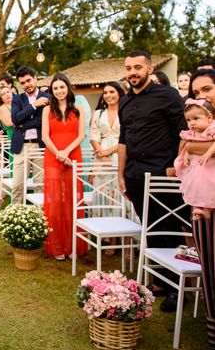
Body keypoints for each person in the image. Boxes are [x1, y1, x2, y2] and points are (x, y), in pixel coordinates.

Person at [117, 50, 187, 312]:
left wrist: (174, 166)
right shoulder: (125, 101)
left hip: (162, 176)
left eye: (137, 67)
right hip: (135, 176)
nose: (132, 72)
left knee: (169, 230)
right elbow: (123, 140)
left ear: (148, 68)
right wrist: (120, 173)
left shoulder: (167, 95)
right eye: (128, 68)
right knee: (150, 229)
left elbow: (185, 132)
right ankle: (159, 283)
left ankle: (175, 291)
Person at [185, 69, 215, 347]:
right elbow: (183, 145)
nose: (201, 96)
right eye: (196, 92)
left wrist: (194, 146)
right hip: (201, 203)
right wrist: (192, 145)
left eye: (206, 89)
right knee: (211, 268)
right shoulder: (196, 121)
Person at [41, 73, 87, 260]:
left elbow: (81, 135)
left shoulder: (79, 109)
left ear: (68, 87)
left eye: (62, 87)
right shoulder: (46, 110)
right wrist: (59, 154)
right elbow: (45, 136)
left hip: (73, 155)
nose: (59, 91)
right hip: (52, 157)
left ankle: (73, 245)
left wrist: (66, 152)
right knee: (55, 203)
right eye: (55, 88)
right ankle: (57, 245)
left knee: (72, 199)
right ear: (52, 91)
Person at [174, 99, 215, 220]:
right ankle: (198, 208)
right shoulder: (192, 133)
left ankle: (207, 209)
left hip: (214, 165)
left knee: (212, 187)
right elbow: (188, 147)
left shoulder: (213, 129)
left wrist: (209, 152)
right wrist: (185, 157)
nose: (192, 123)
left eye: (196, 119)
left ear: (209, 118)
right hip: (198, 166)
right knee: (196, 186)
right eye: (188, 120)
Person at [90, 82, 125, 253]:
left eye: (112, 91)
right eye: (105, 92)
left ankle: (123, 238)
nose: (108, 95)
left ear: (119, 93)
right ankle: (108, 237)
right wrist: (100, 152)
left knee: (120, 195)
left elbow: (128, 137)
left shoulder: (126, 112)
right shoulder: (98, 113)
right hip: (100, 157)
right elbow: (93, 134)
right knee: (104, 195)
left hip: (120, 155)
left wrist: (109, 152)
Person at [10, 66, 50, 203]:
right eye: (23, 83)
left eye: (29, 80)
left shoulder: (48, 97)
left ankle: (40, 219)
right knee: (17, 185)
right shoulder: (17, 99)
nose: (26, 85)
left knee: (41, 184)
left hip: (41, 146)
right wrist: (34, 106)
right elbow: (15, 119)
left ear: (35, 78)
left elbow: (44, 121)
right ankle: (14, 218)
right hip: (22, 146)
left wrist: (23, 124)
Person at [0, 86, 14, 175]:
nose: (7, 95)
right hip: (14, 141)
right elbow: (9, 123)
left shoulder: (17, 104)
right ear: (0, 98)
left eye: (8, 92)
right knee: (17, 170)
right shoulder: (3, 108)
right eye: (3, 94)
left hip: (24, 139)